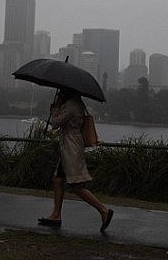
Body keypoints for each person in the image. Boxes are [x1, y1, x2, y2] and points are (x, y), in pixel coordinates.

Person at [38, 88, 114, 232]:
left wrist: (55, 109)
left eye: (61, 92)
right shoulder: (75, 103)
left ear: (68, 92)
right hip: (68, 146)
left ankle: (104, 210)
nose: (59, 94)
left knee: (76, 186)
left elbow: (55, 123)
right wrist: (58, 106)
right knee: (58, 180)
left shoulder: (72, 105)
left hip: (71, 148)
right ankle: (56, 215)